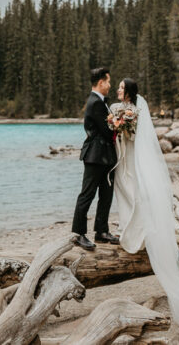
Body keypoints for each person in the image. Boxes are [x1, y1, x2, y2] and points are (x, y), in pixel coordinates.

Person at [111, 77, 179, 325]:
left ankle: (136, 233)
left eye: (121, 87)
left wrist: (119, 126)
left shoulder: (133, 111)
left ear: (129, 92)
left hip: (131, 159)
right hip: (125, 158)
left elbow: (131, 135)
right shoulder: (122, 109)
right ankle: (131, 229)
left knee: (132, 192)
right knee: (127, 193)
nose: (118, 90)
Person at [71, 67, 119, 250]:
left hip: (105, 156)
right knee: (87, 194)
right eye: (108, 81)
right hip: (95, 155)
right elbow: (107, 131)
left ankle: (101, 231)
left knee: (106, 194)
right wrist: (118, 125)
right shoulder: (95, 102)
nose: (110, 85)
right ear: (101, 83)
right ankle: (78, 233)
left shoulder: (100, 102)